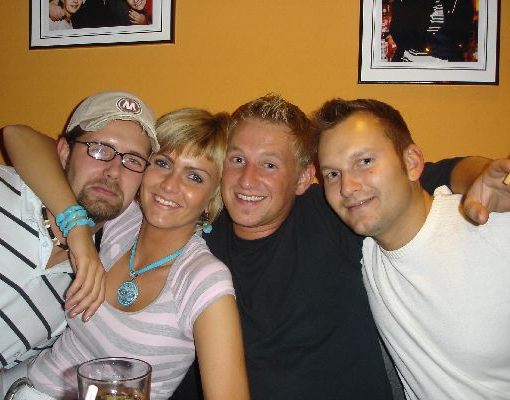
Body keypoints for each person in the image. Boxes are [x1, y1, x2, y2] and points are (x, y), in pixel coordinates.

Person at [170, 93, 509, 400]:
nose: (247, 179)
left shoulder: (334, 214)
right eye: (237, 160)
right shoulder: (198, 241)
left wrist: (481, 174)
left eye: (269, 165)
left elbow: (425, 179)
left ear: (304, 179)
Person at [0, 108, 249, 400]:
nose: (170, 185)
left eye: (194, 177)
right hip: (6, 386)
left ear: (212, 197)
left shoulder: (203, 279)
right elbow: (18, 136)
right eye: (162, 163)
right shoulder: (123, 219)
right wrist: (78, 231)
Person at [0, 90, 158, 378]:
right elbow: (17, 133)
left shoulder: (86, 287)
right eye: (99, 149)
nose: (114, 170)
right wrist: (76, 226)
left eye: (133, 160)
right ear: (64, 152)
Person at [310, 98, 510, 399]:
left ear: (412, 163)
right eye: (332, 174)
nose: (347, 187)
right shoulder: (365, 251)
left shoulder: (493, 227)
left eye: (364, 162)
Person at [388, 0, 475, 62]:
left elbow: (463, 36)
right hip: (409, 62)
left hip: (446, 66)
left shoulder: (460, 2)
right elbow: (397, 33)